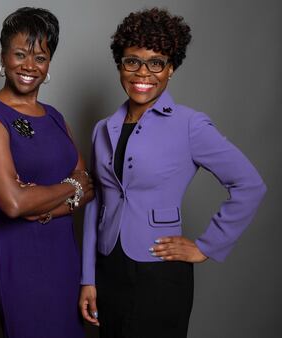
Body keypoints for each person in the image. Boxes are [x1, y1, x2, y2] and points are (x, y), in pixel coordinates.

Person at [78, 8, 267, 338]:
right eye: (132, 61)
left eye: (157, 62)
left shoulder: (189, 124)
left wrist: (206, 246)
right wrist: (88, 278)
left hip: (159, 273)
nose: (143, 72)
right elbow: (97, 204)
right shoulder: (102, 129)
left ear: (171, 69)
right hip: (109, 269)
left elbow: (249, 184)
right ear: (120, 64)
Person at [0, 7, 93, 338]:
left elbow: (90, 186)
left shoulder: (53, 116)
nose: (29, 66)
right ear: (3, 57)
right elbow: (13, 204)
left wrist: (40, 208)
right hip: (20, 256)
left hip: (63, 254)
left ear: (49, 62)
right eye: (20, 54)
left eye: (39, 57)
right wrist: (71, 185)